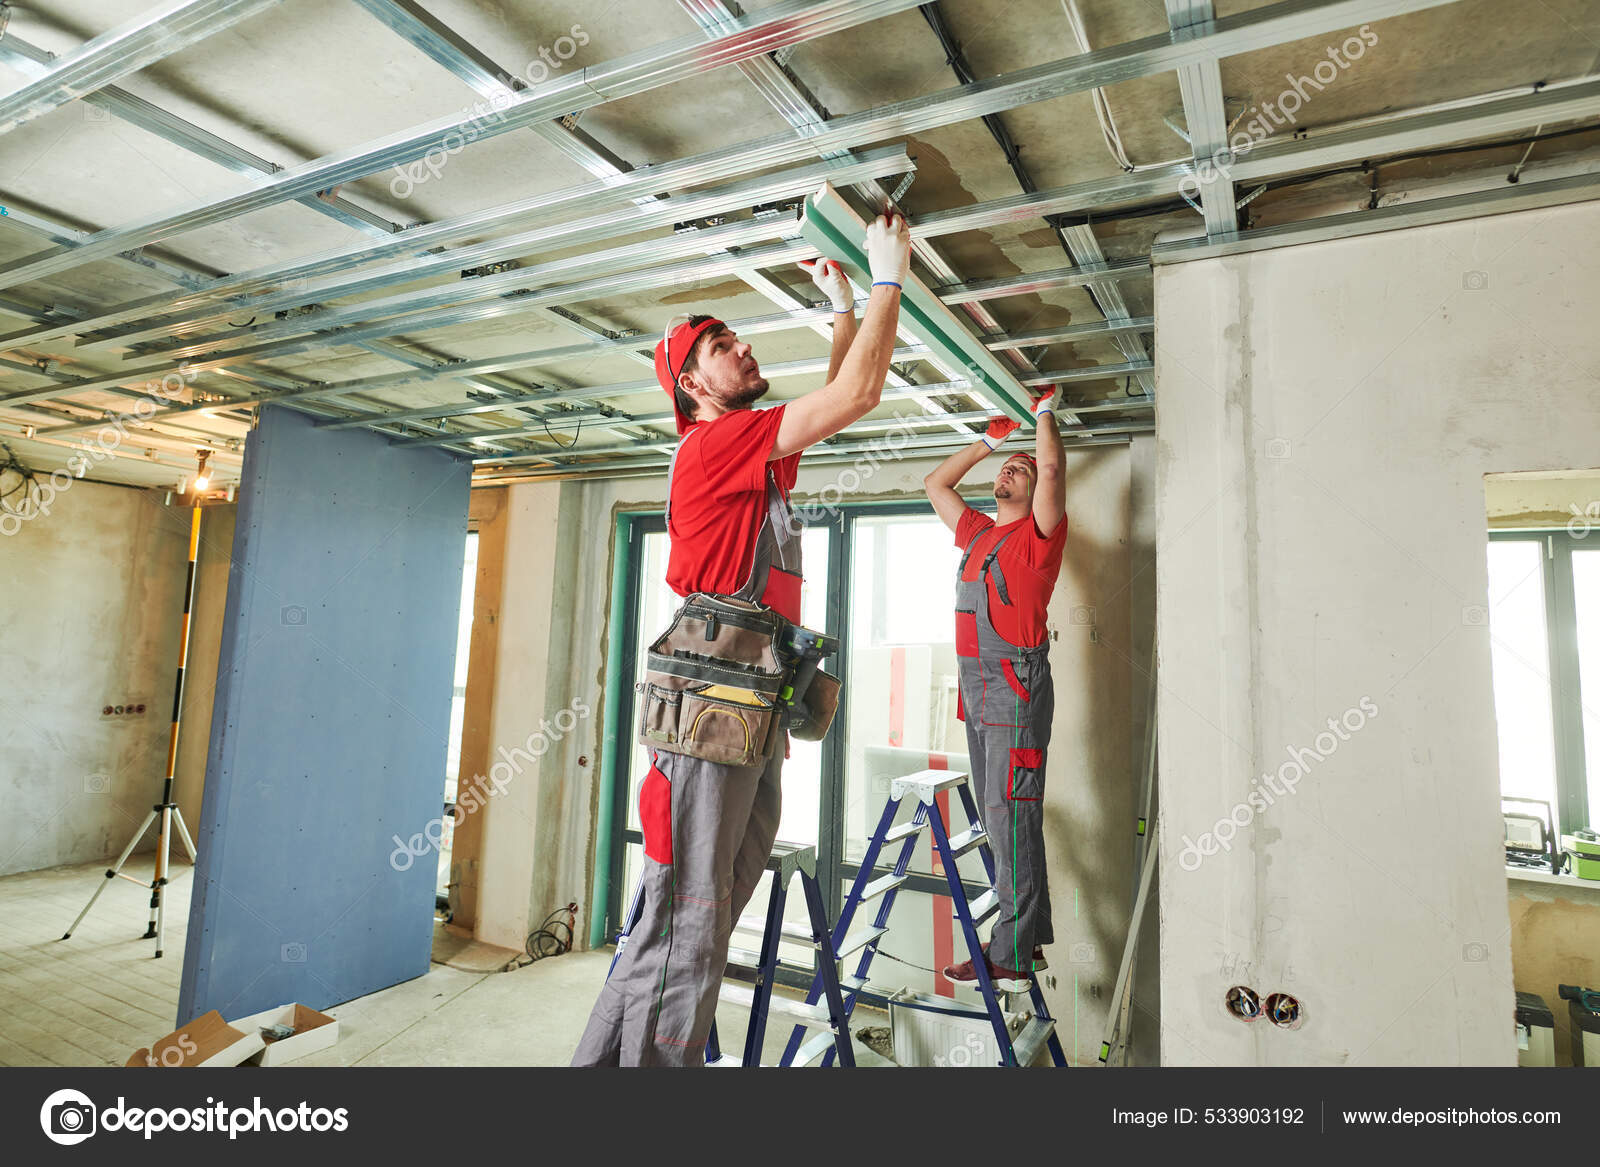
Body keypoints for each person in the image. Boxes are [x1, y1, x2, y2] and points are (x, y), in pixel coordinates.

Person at [572, 211, 912, 1066]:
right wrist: (885, 277)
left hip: (747, 712)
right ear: (691, 383)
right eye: (725, 344)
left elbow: (829, 409)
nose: (745, 348)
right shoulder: (713, 447)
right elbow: (858, 397)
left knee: (708, 906)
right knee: (687, 917)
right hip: (711, 715)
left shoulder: (749, 456)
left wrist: (841, 312)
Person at [921, 386, 1067, 992]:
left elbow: (1053, 465)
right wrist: (986, 443)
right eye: (1007, 469)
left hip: (1015, 690)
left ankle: (1010, 950)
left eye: (1020, 471)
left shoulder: (1039, 537)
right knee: (1000, 819)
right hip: (979, 693)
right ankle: (1022, 939)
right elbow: (936, 485)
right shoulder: (980, 533)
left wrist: (1041, 417)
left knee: (1013, 821)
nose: (1011, 472)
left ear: (1037, 492)